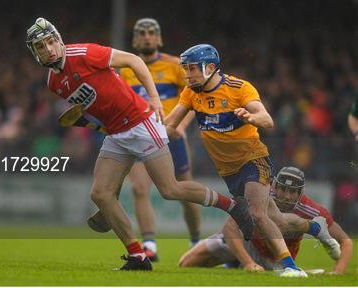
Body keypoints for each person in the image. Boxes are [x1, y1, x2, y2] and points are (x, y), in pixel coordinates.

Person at [26, 18, 254, 271]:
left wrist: (155, 99)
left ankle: (233, 206)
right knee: (100, 193)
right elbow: (97, 104)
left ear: (59, 39)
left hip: (140, 123)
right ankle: (138, 257)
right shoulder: (53, 83)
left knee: (170, 189)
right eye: (40, 46)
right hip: (116, 133)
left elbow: (134, 61)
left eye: (50, 42)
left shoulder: (86, 52)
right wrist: (95, 125)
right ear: (35, 53)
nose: (48, 49)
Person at [164, 44, 340, 277]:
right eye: (185, 69)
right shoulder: (191, 92)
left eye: (192, 68)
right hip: (228, 171)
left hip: (253, 159)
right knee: (278, 221)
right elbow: (169, 124)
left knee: (257, 215)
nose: (187, 74)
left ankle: (290, 267)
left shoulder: (238, 88)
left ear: (210, 67)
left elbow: (267, 119)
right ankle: (315, 226)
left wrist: (252, 117)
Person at [120, 18, 200, 260]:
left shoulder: (176, 65)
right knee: (139, 188)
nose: (146, 36)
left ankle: (196, 240)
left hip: (171, 136)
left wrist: (181, 126)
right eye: (141, 33)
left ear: (159, 38)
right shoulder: (125, 68)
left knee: (183, 192)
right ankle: (150, 245)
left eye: (151, 32)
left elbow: (194, 98)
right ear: (135, 39)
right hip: (141, 137)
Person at [179, 167, 353, 275]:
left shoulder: (312, 209)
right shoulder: (260, 195)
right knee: (186, 263)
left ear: (300, 193)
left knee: (279, 222)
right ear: (274, 186)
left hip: (274, 257)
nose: (285, 195)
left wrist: (337, 272)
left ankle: (314, 228)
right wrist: (248, 263)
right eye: (282, 189)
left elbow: (346, 242)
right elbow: (229, 229)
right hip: (249, 244)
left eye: (292, 191)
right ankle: (237, 263)